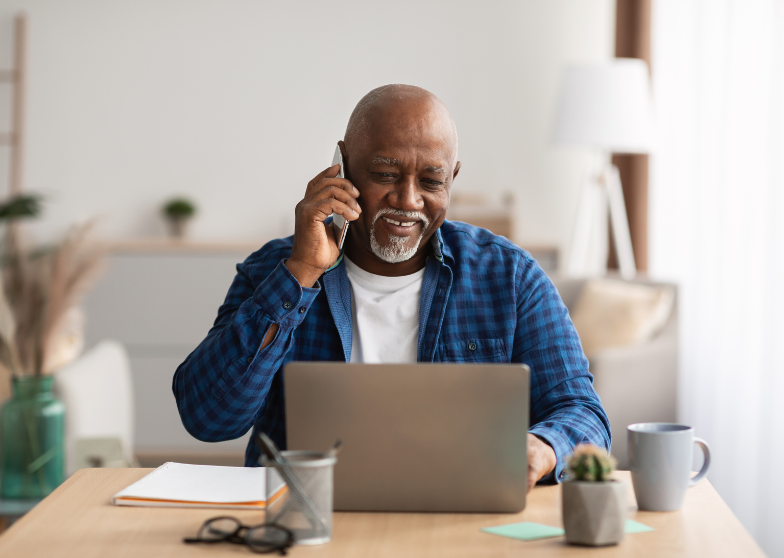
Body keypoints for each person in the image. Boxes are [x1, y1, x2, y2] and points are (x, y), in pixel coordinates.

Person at [173, 84, 610, 490]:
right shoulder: (274, 270)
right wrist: (301, 272)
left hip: (457, 521)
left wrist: (545, 446)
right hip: (306, 520)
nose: (408, 200)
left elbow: (583, 412)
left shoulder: (509, 276)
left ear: (452, 178)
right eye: (385, 174)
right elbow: (208, 419)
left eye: (431, 181)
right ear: (341, 167)